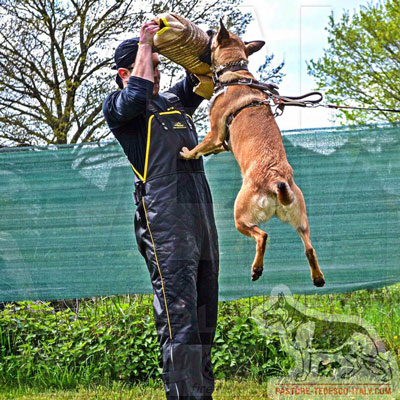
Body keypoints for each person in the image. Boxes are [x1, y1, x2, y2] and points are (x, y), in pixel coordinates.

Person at [102, 21, 219, 400]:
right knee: (179, 317)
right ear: (127, 71)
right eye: (151, 62)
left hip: (200, 213)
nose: (158, 69)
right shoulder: (122, 109)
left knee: (204, 314)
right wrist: (145, 41)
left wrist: (204, 46)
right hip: (165, 220)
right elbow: (135, 94)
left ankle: (201, 393)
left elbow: (203, 77)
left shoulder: (173, 101)